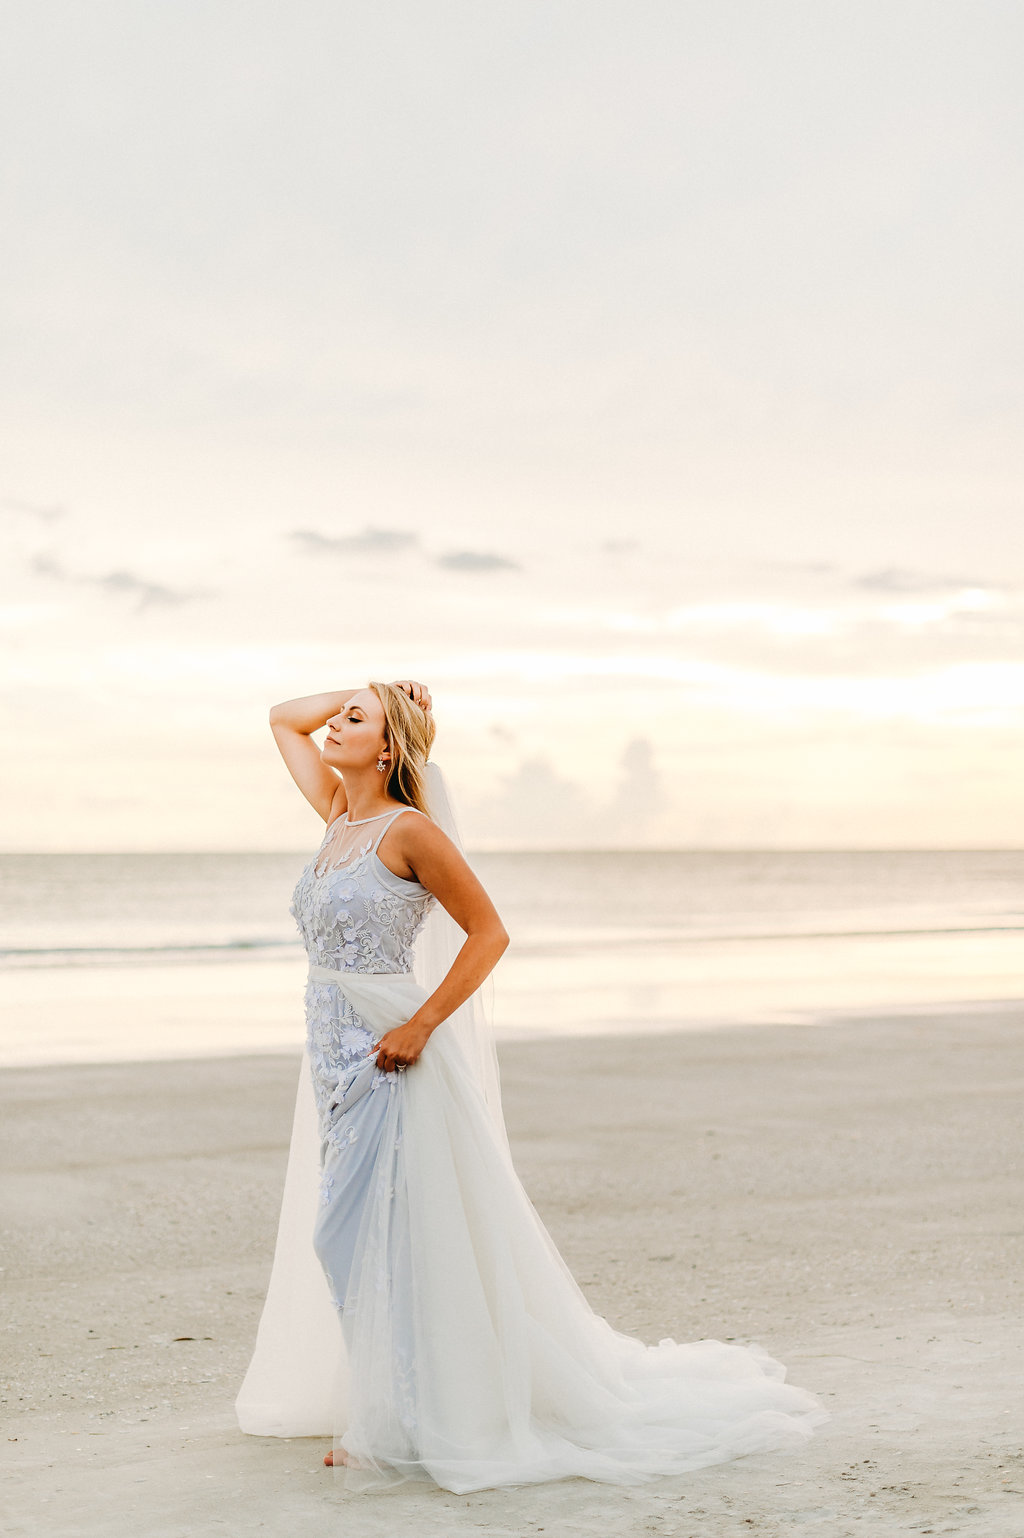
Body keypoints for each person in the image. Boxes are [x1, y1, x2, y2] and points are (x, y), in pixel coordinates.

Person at [235, 678, 828, 1493]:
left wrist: (422, 1024)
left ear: (390, 748)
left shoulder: (410, 832)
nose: (332, 724)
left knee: (369, 1236)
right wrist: (369, 686)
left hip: (389, 1050)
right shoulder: (339, 818)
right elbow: (279, 718)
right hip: (331, 1052)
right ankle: (393, 1407)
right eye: (337, 717)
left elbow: (490, 932)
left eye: (355, 720)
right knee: (348, 1236)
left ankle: (399, 1421)